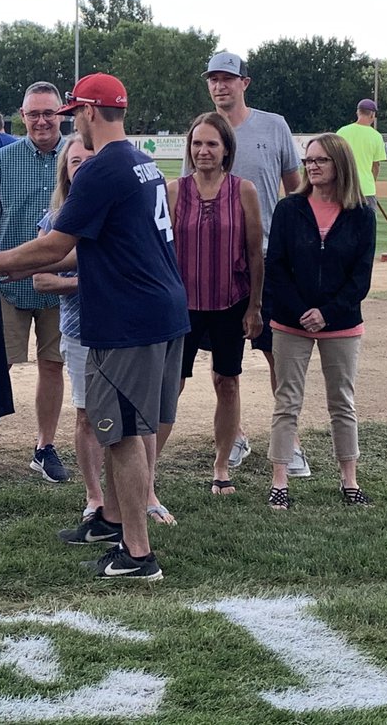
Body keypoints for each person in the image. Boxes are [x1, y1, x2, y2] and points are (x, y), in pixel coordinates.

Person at [0, 72, 189, 581]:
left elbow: (56, 246)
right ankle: (110, 521)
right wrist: (15, 266)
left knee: (120, 435)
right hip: (160, 312)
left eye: (75, 111)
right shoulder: (144, 163)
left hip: (128, 319)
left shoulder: (102, 169)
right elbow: (89, 245)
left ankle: (138, 555)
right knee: (129, 427)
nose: (72, 119)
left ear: (91, 112)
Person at [36, 138, 177, 525]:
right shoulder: (56, 219)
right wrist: (93, 280)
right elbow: (42, 279)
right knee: (90, 417)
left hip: (122, 329)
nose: (81, 167)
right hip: (80, 329)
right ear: (64, 169)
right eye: (74, 161)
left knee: (133, 422)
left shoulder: (122, 200)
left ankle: (143, 498)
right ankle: (96, 500)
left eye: (89, 160)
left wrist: (104, 276)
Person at [200, 52, 309, 476]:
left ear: (245, 82)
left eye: (228, 78)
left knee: (276, 353)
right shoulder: (205, 131)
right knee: (222, 361)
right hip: (220, 264)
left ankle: (289, 441)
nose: (220, 86)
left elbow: (294, 189)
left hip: (268, 257)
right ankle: (236, 436)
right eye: (213, 79)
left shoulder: (273, 124)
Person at [264, 133, 375, 510]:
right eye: (309, 159)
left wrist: (327, 312)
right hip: (290, 321)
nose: (312, 166)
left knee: (342, 401)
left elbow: (360, 278)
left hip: (342, 323)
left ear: (339, 164)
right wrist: (301, 311)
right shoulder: (289, 208)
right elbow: (275, 267)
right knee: (287, 401)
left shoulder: (361, 213)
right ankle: (280, 481)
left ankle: (350, 480)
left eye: (321, 160)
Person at [0, 81, 68, 483]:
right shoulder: (1, 162)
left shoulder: (78, 160)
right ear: (21, 116)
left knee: (53, 366)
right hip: (7, 284)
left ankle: (44, 447)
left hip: (59, 284)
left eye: (49, 113)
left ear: (62, 114)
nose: (42, 121)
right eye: (34, 113)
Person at [168, 112, 264, 496]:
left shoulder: (244, 191)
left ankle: (222, 466)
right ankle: (147, 469)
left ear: (226, 149)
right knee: (169, 385)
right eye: (197, 144)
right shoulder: (174, 190)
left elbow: (255, 254)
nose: (203, 151)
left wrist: (254, 307)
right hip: (183, 305)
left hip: (230, 302)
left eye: (211, 144)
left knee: (227, 382)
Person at [337, 99, 384, 209]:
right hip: (366, 189)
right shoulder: (376, 136)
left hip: (345, 188)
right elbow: (375, 166)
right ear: (372, 115)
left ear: (358, 112)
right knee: (368, 225)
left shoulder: (342, 132)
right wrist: (371, 184)